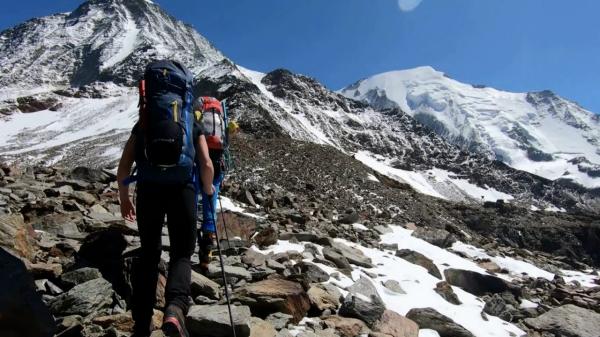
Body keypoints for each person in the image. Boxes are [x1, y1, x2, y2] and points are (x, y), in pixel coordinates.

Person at [117, 61, 214, 337]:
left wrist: (125, 198)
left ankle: (142, 321)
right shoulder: (191, 122)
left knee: (149, 253)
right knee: (182, 253)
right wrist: (208, 192)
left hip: (148, 188)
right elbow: (206, 164)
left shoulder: (145, 121)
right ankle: (174, 310)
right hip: (182, 189)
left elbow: (124, 167)